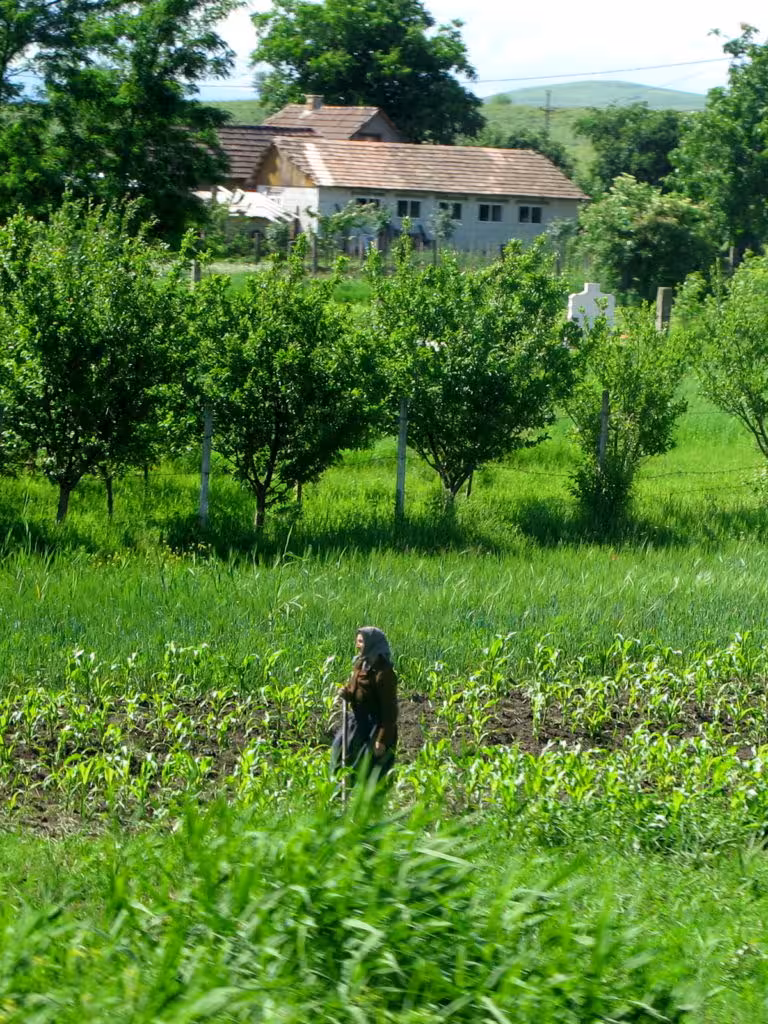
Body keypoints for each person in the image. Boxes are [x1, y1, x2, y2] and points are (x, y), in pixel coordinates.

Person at [331, 626, 398, 786]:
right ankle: (339, 798)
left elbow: (390, 710)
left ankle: (366, 806)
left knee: (368, 768)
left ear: (371, 643)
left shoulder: (384, 673)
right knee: (339, 752)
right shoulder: (361, 665)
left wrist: (381, 740)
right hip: (357, 722)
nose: (357, 645)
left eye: (361, 641)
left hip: (375, 726)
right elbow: (356, 692)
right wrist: (346, 693)